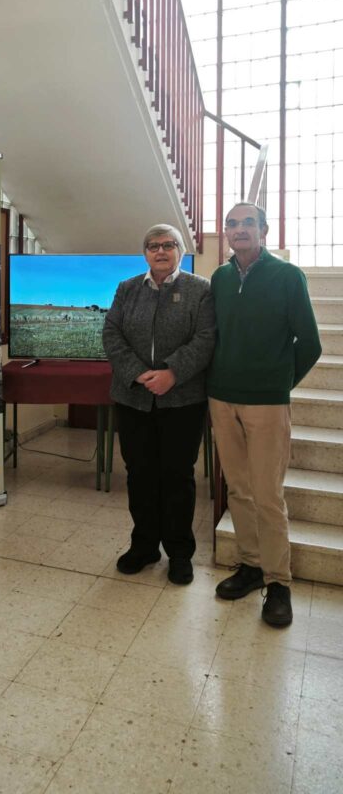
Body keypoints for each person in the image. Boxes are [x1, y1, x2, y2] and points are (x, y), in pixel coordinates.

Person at [208, 202, 321, 627]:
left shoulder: (288, 277)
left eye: (247, 223)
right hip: (221, 399)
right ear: (226, 234)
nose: (239, 230)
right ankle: (251, 566)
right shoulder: (218, 278)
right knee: (238, 489)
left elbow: (309, 343)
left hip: (268, 403)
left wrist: (277, 383)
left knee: (268, 495)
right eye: (232, 224)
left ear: (264, 230)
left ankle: (278, 582)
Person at [103, 224, 216, 585]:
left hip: (182, 399)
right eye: (153, 246)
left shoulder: (200, 290)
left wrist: (171, 373)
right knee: (139, 475)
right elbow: (111, 334)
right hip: (133, 398)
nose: (161, 251)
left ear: (180, 251)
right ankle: (145, 546)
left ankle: (180, 553)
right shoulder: (127, 289)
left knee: (178, 476)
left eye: (169, 245)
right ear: (145, 253)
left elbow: (206, 338)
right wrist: (138, 373)